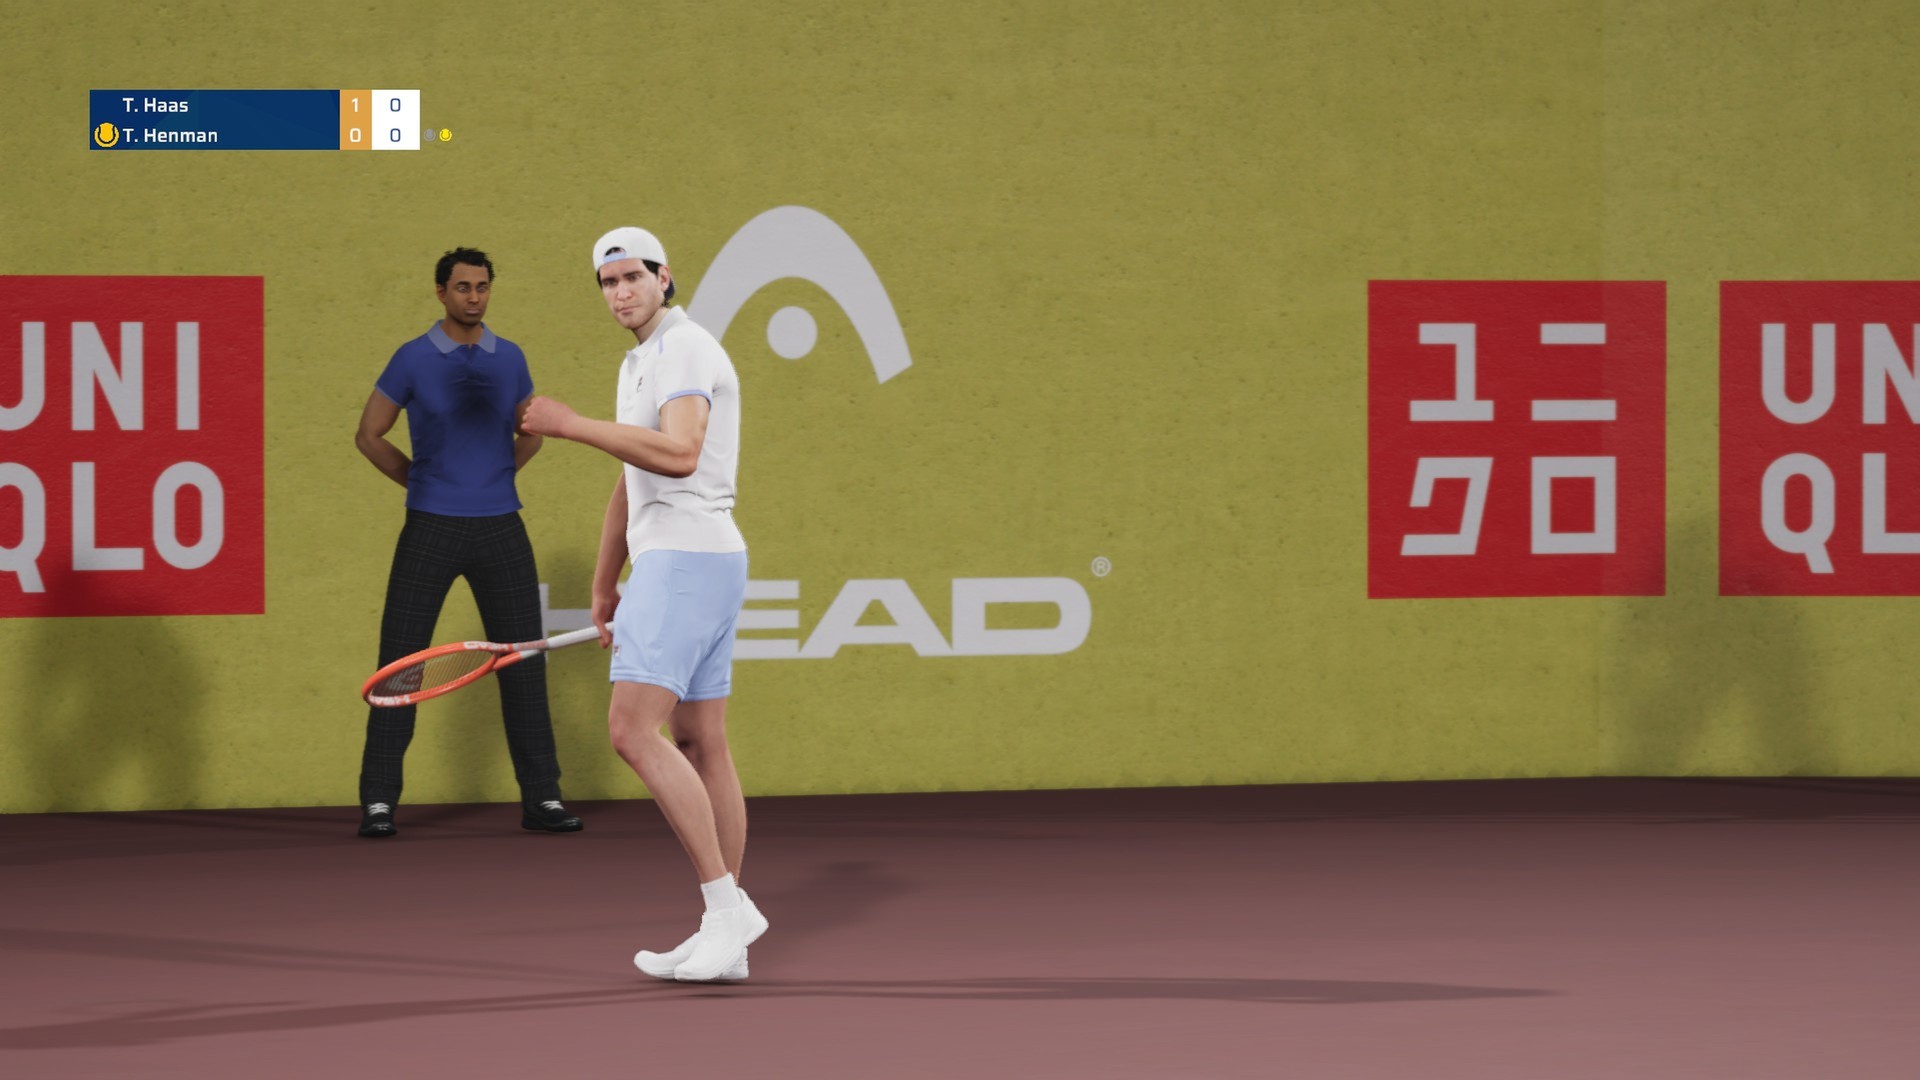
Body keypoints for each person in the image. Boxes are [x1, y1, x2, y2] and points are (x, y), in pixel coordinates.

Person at [518, 226, 763, 982]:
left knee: (631, 731)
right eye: (608, 282)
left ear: (665, 276)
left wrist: (569, 426)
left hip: (687, 557)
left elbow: (681, 455)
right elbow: (634, 475)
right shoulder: (641, 361)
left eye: (632, 276)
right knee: (700, 741)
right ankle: (728, 936)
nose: (620, 292)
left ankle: (726, 912)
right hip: (699, 559)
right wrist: (604, 583)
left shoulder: (683, 347)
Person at [353, 247, 583, 839]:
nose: (474, 297)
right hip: (430, 526)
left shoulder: (511, 358)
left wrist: (496, 477)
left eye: (482, 287)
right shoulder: (411, 357)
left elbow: (532, 432)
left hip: (502, 526)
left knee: (524, 663)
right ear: (441, 292)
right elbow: (369, 434)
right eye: (462, 287)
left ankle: (543, 798)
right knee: (401, 665)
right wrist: (422, 483)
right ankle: (378, 802)